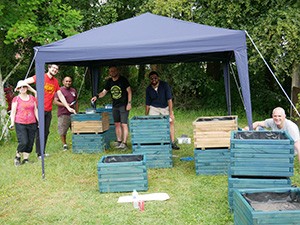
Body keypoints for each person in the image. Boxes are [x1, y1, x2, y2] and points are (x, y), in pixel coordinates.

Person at [24, 64, 76, 158]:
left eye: (56, 69)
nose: (55, 70)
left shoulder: (55, 81)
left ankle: (42, 152)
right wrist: (34, 91)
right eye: (53, 68)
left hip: (48, 110)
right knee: (40, 131)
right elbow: (24, 82)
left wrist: (68, 108)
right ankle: (38, 153)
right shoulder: (40, 77)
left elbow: (60, 95)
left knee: (46, 132)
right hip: (39, 109)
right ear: (49, 68)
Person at [91, 66, 132, 150]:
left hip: (123, 105)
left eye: (114, 71)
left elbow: (129, 91)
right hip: (115, 106)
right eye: (110, 71)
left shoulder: (123, 80)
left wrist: (129, 103)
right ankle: (119, 142)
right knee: (117, 124)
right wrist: (96, 96)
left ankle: (125, 143)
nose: (112, 72)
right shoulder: (109, 81)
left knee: (124, 124)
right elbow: (104, 92)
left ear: (117, 71)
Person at [145, 71, 180, 150]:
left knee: (171, 122)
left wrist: (171, 113)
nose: (153, 79)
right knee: (153, 123)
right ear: (149, 80)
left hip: (165, 107)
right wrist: (146, 116)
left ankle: (172, 142)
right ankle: (156, 142)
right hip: (154, 108)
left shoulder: (165, 85)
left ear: (158, 78)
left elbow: (169, 100)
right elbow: (147, 104)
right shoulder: (148, 89)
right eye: (151, 78)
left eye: (155, 78)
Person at [10, 80, 38, 166]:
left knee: (30, 142)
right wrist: (12, 123)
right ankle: (17, 156)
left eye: (24, 86)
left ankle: (26, 159)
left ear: (27, 88)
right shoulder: (16, 99)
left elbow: (35, 110)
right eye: (20, 87)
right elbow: (13, 112)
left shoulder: (32, 98)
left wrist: (39, 121)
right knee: (23, 142)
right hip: (20, 122)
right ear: (18, 89)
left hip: (32, 122)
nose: (22, 88)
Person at [53, 76, 78, 151]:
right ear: (63, 82)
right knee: (63, 130)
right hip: (63, 113)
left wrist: (77, 112)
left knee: (75, 129)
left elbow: (76, 102)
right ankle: (64, 144)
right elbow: (55, 101)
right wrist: (66, 105)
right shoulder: (59, 90)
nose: (68, 83)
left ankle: (76, 143)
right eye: (66, 81)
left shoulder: (73, 90)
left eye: (69, 81)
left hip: (73, 113)